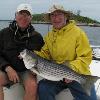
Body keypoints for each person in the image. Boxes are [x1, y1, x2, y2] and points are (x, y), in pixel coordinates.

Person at [36, 5, 96, 100]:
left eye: (59, 14)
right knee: (43, 88)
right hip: (56, 75)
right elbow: (45, 54)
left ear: (66, 16)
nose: (56, 18)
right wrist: (31, 56)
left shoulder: (78, 33)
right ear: (50, 18)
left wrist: (71, 70)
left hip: (76, 73)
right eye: (52, 15)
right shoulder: (49, 36)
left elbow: (85, 57)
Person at [0, 3, 44, 100]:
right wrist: (7, 68)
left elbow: (42, 56)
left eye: (27, 15)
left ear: (31, 18)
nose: (23, 17)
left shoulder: (37, 37)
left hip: (27, 71)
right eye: (21, 14)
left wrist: (36, 69)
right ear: (15, 15)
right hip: (7, 69)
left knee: (33, 86)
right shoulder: (4, 33)